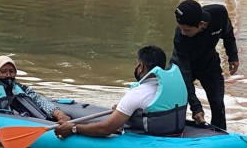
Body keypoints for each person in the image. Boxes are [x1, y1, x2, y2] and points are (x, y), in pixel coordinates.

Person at [55, 45, 187, 139]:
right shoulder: (176, 86)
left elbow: (106, 129)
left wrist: (74, 128)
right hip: (173, 132)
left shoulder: (137, 93)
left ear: (140, 67)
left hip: (146, 139)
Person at [171, 0, 239, 130]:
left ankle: (220, 134)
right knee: (176, 100)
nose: (183, 32)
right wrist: (196, 107)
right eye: (180, 28)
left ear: (202, 24)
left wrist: (233, 56)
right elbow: (185, 74)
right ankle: (174, 130)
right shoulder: (180, 38)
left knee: (218, 105)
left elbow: (228, 33)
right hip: (184, 66)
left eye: (187, 30)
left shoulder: (219, 14)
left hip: (209, 64)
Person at [0, 55, 71, 122]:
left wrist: (59, 114)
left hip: (34, 121)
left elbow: (41, 101)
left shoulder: (22, 89)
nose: (8, 75)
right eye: (3, 72)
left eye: (11, 71)